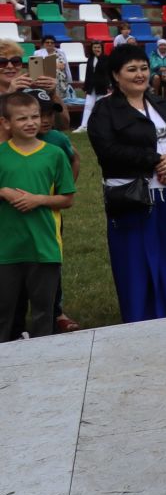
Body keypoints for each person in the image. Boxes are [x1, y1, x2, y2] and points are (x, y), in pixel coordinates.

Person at [86, 43, 166, 322]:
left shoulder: (160, 104)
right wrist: (154, 159)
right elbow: (107, 150)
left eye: (143, 68)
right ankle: (140, 318)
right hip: (131, 199)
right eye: (131, 69)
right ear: (115, 75)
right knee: (134, 263)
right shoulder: (104, 110)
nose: (140, 74)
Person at [0, 91, 77, 341]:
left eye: (35, 116)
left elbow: (67, 198)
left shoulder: (54, 154)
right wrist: (4, 192)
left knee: (44, 314)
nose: (31, 122)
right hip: (6, 249)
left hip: (44, 246)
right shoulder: (1, 154)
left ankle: (45, 365)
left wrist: (38, 200)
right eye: (22, 119)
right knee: (6, 313)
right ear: (6, 123)